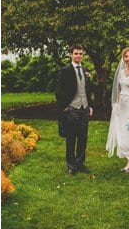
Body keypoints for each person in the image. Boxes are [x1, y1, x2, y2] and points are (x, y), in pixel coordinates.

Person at [55, 44, 93, 175]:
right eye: (76, 53)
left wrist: (90, 105)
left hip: (84, 108)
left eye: (80, 54)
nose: (78, 56)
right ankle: (71, 165)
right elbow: (58, 91)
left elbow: (88, 90)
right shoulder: (65, 70)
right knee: (71, 138)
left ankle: (80, 163)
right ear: (71, 54)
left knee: (83, 137)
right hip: (72, 108)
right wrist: (65, 107)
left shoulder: (85, 69)